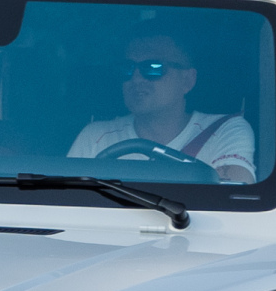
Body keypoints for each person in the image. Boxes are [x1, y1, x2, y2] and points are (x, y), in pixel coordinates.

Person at [67, 34, 255, 182]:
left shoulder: (224, 130)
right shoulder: (94, 136)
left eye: (153, 68)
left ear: (188, 80)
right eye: (127, 68)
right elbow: (69, 200)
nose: (137, 78)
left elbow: (233, 194)